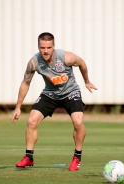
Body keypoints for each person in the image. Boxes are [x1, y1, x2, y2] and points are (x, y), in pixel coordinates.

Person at [11, 32, 97, 171]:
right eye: (42, 48)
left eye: (49, 48)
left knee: (78, 122)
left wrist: (86, 81)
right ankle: (28, 157)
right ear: (38, 47)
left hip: (70, 92)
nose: (45, 51)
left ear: (53, 46)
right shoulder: (34, 62)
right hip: (50, 93)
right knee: (32, 121)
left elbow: (81, 63)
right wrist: (18, 107)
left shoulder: (66, 57)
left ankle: (77, 157)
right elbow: (25, 83)